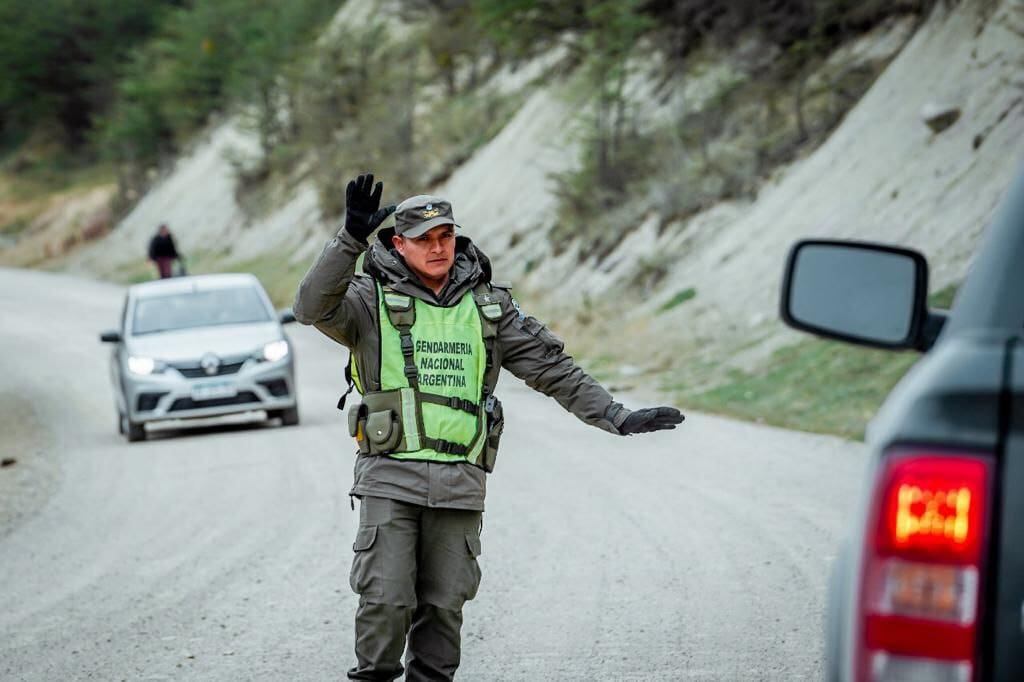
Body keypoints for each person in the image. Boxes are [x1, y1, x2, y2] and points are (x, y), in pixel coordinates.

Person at [293, 174, 684, 681]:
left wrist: (616, 415)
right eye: (424, 240)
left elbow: (553, 370)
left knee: (443, 608)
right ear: (397, 244)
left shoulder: (489, 306)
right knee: (386, 599)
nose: (438, 249)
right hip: (390, 475)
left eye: (445, 237)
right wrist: (348, 240)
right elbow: (310, 308)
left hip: (460, 480)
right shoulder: (367, 301)